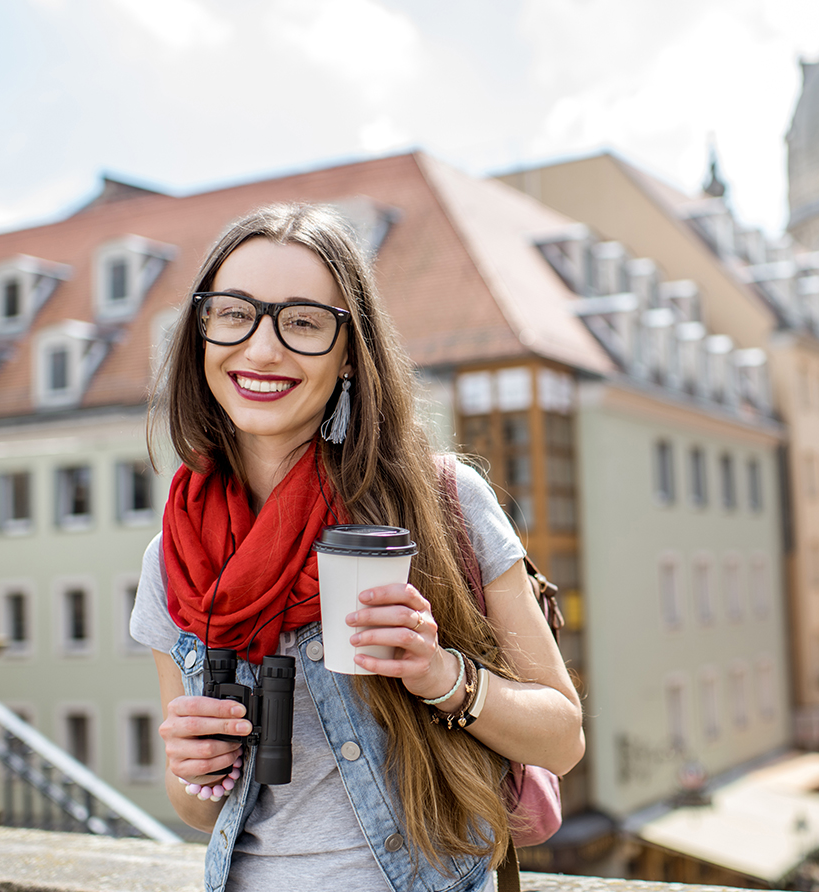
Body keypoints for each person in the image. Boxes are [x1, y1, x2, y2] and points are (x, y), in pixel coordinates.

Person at [131, 203, 585, 892]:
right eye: (234, 313)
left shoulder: (444, 503)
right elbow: (196, 807)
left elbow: (562, 739)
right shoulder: (174, 557)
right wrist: (196, 766)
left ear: (350, 353)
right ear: (201, 334)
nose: (261, 348)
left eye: (304, 322)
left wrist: (441, 676)